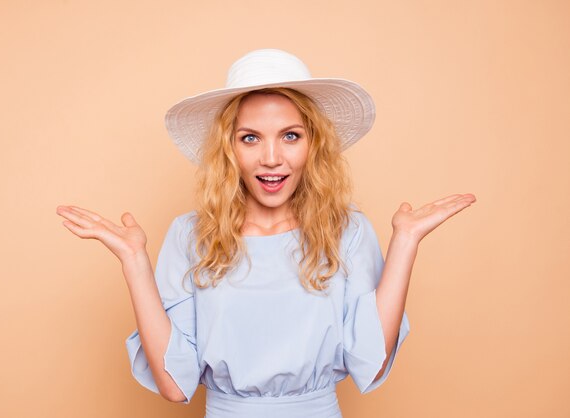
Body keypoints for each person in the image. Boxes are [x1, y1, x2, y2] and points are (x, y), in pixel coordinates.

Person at [56, 49, 476, 418]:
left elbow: (372, 364)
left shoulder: (347, 232)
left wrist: (405, 242)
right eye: (251, 138)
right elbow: (174, 385)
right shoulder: (190, 236)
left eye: (290, 136)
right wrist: (134, 261)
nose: (271, 158)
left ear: (313, 145)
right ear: (229, 149)